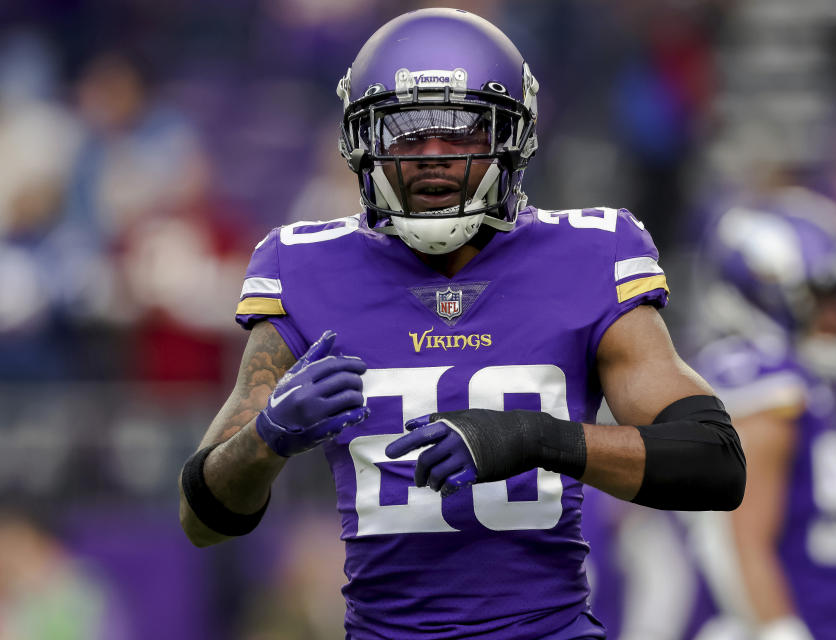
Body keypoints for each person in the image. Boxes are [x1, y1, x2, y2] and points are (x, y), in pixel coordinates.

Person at [177, 9, 746, 640]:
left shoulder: (590, 254)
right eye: (407, 132)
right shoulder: (304, 264)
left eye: (463, 131)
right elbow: (202, 518)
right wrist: (269, 435)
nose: (434, 157)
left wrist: (536, 439)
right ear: (362, 143)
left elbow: (713, 463)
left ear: (512, 139)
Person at [680, 190, 836, 640]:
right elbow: (735, 539)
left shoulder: (796, 381)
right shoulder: (765, 385)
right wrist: (779, 630)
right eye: (825, 298)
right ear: (774, 293)